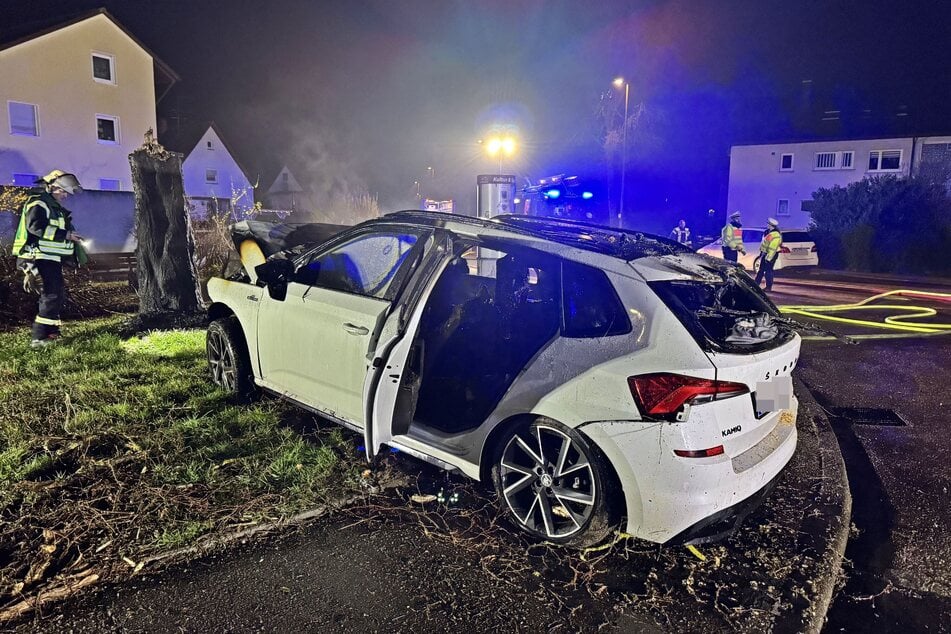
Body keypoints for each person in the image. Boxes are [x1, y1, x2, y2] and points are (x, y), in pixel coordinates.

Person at [11, 170, 85, 348]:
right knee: (51, 295)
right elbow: (36, 227)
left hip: (50, 258)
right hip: (38, 256)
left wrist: (70, 238)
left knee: (56, 294)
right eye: (63, 191)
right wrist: (66, 234)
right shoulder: (39, 203)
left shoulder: (53, 207)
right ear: (52, 187)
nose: (65, 195)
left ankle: (51, 332)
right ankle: (39, 336)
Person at [754, 217, 783, 292]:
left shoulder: (775, 234)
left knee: (768, 271)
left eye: (768, 224)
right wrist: (762, 253)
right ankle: (756, 284)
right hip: (765, 253)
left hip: (771, 255)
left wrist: (769, 258)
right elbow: (765, 244)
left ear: (771, 225)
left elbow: (772, 248)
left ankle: (768, 287)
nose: (767, 225)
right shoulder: (768, 232)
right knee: (761, 270)